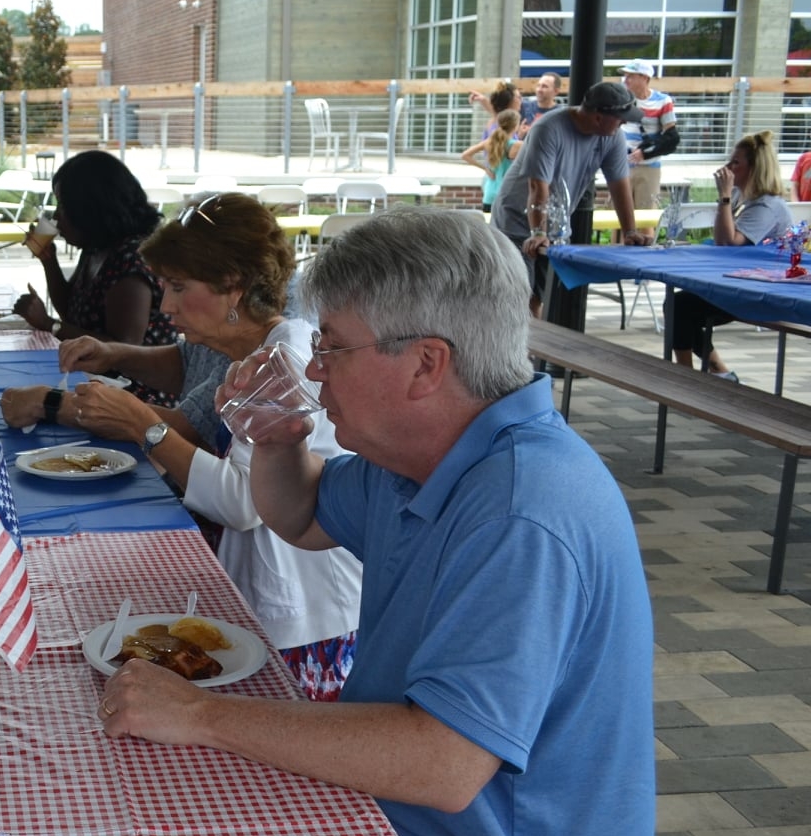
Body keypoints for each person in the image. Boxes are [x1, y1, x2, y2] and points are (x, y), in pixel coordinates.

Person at [98, 208, 654, 836]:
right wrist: (277, 441)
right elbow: (302, 516)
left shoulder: (519, 512)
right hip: (390, 800)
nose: (314, 368)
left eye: (332, 346)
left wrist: (201, 713)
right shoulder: (424, 455)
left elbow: (443, 763)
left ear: (425, 364)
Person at [6, 193, 361, 700]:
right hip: (262, 593)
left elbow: (244, 504)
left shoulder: (285, 362)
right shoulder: (254, 345)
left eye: (177, 287)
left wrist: (145, 428)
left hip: (304, 618)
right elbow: (180, 362)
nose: (165, 304)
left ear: (232, 287)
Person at [11, 149, 179, 403]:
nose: (56, 217)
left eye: (63, 206)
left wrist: (49, 324)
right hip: (97, 385)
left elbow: (122, 349)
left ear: (89, 209)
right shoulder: (97, 248)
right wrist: (49, 260)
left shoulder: (132, 259)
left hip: (136, 399)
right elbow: (73, 312)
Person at [492, 80, 648, 315]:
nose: (624, 122)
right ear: (598, 117)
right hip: (515, 219)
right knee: (516, 298)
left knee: (537, 299)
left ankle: (532, 350)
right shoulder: (549, 128)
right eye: (620, 117)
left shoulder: (613, 136)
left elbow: (619, 185)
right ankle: (517, 350)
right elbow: (538, 185)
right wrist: (538, 233)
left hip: (554, 225)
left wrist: (630, 231)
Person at [671, 130, 795, 381]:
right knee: (680, 306)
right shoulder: (745, 198)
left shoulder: (767, 206)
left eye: (735, 162)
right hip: (739, 282)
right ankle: (711, 370)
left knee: (681, 306)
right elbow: (721, 241)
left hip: (762, 292)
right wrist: (727, 199)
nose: (727, 167)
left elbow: (728, 242)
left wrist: (724, 197)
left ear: (754, 168)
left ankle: (691, 377)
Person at [618, 59, 679, 210]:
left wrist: (646, 153)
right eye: (625, 75)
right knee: (618, 217)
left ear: (644, 78)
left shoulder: (663, 101)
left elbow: (671, 137)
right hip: (622, 163)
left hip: (648, 165)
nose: (626, 80)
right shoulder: (621, 98)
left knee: (646, 215)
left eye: (631, 76)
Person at [460, 108, 521, 214]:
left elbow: (465, 155)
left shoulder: (489, 142)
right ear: (516, 125)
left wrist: (486, 169)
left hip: (489, 195)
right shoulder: (517, 145)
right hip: (507, 195)